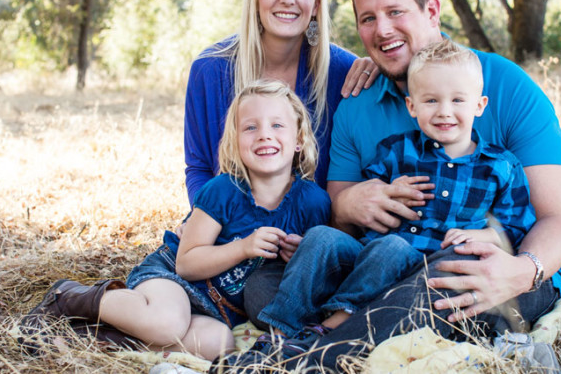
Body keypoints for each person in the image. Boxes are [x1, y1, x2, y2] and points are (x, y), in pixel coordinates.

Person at [231, 0, 561, 370]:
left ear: (431, 11)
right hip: (381, 261)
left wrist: (523, 270)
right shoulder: (358, 102)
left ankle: (307, 359)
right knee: (264, 283)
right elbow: (339, 216)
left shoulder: (505, 85)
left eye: (395, 13)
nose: (382, 30)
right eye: (368, 19)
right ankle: (338, 335)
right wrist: (348, 204)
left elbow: (554, 218)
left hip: (486, 272)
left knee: (446, 275)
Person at [223, 39, 538, 362]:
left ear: (479, 105)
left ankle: (335, 326)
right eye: (431, 101)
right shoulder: (397, 151)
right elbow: (363, 200)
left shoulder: (500, 166)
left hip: (421, 274)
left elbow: (515, 227)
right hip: (370, 259)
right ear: (412, 107)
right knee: (321, 237)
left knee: (394, 247)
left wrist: (481, 236)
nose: (444, 111)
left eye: (458, 100)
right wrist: (381, 190)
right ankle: (282, 333)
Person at [20, 80, 332, 361]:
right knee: (166, 323)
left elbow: (316, 267)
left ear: (299, 139)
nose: (264, 133)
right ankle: (68, 299)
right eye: (251, 127)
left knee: (218, 346)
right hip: (173, 279)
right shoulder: (223, 190)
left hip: (218, 311)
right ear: (236, 141)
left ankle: (82, 336)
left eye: (277, 125)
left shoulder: (313, 202)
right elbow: (187, 263)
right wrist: (243, 248)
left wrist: (301, 254)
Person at [184, 0, 376, 206]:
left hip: (315, 233)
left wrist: (381, 63)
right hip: (229, 232)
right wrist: (206, 221)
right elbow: (199, 168)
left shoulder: (344, 72)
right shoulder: (210, 70)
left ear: (317, 4)